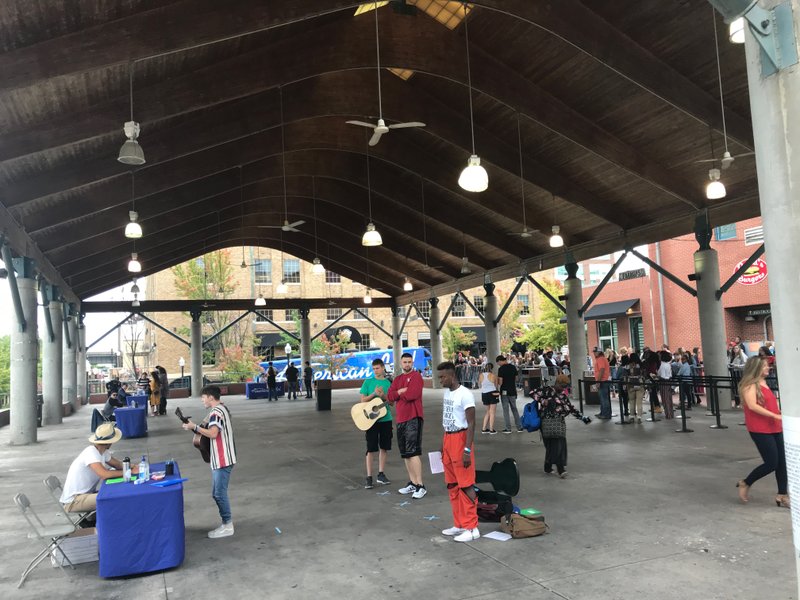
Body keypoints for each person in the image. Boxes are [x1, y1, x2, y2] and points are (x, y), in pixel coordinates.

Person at [182, 385, 238, 538]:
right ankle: (226, 523)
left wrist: (194, 426)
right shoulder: (221, 409)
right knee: (216, 493)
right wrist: (194, 427)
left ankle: (227, 525)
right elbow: (208, 430)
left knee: (219, 494)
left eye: (203, 397)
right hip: (220, 458)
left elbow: (213, 434)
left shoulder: (216, 413)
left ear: (211, 397)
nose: (202, 400)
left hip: (223, 459)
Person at [437, 361, 480, 543]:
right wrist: (443, 443)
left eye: (442, 377)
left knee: (466, 484)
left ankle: (472, 528)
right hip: (448, 438)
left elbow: (471, 424)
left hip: (461, 440)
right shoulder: (448, 393)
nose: (440, 381)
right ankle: (459, 524)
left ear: (452, 375)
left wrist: (467, 449)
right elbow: (449, 419)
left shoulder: (465, 395)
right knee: (452, 485)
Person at [736, 356, 788, 508]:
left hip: (775, 426)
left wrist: (778, 414)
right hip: (760, 428)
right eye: (765, 366)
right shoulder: (749, 385)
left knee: (782, 463)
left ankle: (782, 495)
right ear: (756, 368)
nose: (768, 368)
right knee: (772, 463)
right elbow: (752, 406)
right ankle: (745, 483)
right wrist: (775, 415)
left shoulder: (764, 382)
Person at [60, 422, 136, 513]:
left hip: (85, 495)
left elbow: (117, 465)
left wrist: (133, 466)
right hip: (74, 501)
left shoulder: (102, 451)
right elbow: (104, 474)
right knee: (114, 499)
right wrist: (129, 473)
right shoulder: (91, 453)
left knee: (116, 493)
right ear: (110, 442)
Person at [532, 375, 590, 478]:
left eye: (565, 387)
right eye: (562, 386)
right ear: (557, 383)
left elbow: (570, 408)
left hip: (559, 423)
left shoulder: (563, 395)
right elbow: (532, 393)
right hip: (546, 422)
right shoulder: (546, 390)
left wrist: (582, 417)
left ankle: (554, 468)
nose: (563, 389)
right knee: (551, 446)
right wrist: (543, 401)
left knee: (558, 445)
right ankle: (555, 468)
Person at [387, 352, 426, 499]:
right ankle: (413, 483)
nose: (407, 364)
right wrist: (401, 391)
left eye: (409, 362)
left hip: (413, 418)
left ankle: (420, 485)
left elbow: (412, 395)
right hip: (401, 419)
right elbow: (389, 396)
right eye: (405, 362)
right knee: (405, 453)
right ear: (401, 363)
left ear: (412, 363)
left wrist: (399, 393)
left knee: (413, 452)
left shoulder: (416, 376)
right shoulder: (397, 379)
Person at [360, 358, 393, 489]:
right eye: (373, 369)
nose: (375, 371)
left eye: (377, 368)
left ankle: (381, 474)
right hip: (371, 420)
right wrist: (374, 394)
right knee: (370, 448)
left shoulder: (388, 383)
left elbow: (392, 403)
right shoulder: (368, 382)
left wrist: (383, 396)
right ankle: (369, 476)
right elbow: (362, 400)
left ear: (383, 368)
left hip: (386, 419)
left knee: (384, 447)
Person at [496, 355, 523, 433]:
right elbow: (517, 378)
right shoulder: (513, 367)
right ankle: (519, 427)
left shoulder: (501, 369)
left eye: (498, 363)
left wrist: (497, 381)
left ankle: (508, 428)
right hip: (512, 390)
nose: (498, 364)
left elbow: (500, 382)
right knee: (514, 408)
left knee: (506, 410)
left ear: (500, 361)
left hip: (504, 390)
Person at [478, 362, 499, 434]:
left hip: (484, 394)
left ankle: (484, 429)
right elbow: (496, 386)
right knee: (492, 412)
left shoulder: (481, 375)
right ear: (492, 368)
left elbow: (480, 384)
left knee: (487, 411)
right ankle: (491, 429)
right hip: (492, 393)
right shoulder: (494, 376)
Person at [625, 353, 646, 423]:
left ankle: (631, 417)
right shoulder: (641, 365)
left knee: (631, 401)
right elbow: (644, 374)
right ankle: (639, 418)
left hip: (630, 385)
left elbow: (625, 375)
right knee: (639, 402)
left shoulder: (627, 366)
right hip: (640, 384)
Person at [593, 349, 612, 419]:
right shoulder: (602, 359)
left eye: (595, 352)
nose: (594, 353)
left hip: (602, 381)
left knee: (604, 398)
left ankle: (605, 414)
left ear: (599, 352)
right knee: (603, 398)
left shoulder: (600, 359)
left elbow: (602, 369)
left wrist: (598, 381)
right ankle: (603, 413)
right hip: (604, 380)